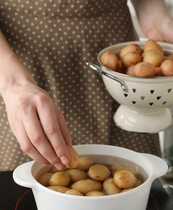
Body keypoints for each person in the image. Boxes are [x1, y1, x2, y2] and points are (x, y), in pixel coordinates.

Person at [0, 0, 173, 171]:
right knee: (33, 177)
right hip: (20, 69)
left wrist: (155, 18)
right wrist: (13, 84)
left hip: (118, 71)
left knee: (138, 178)